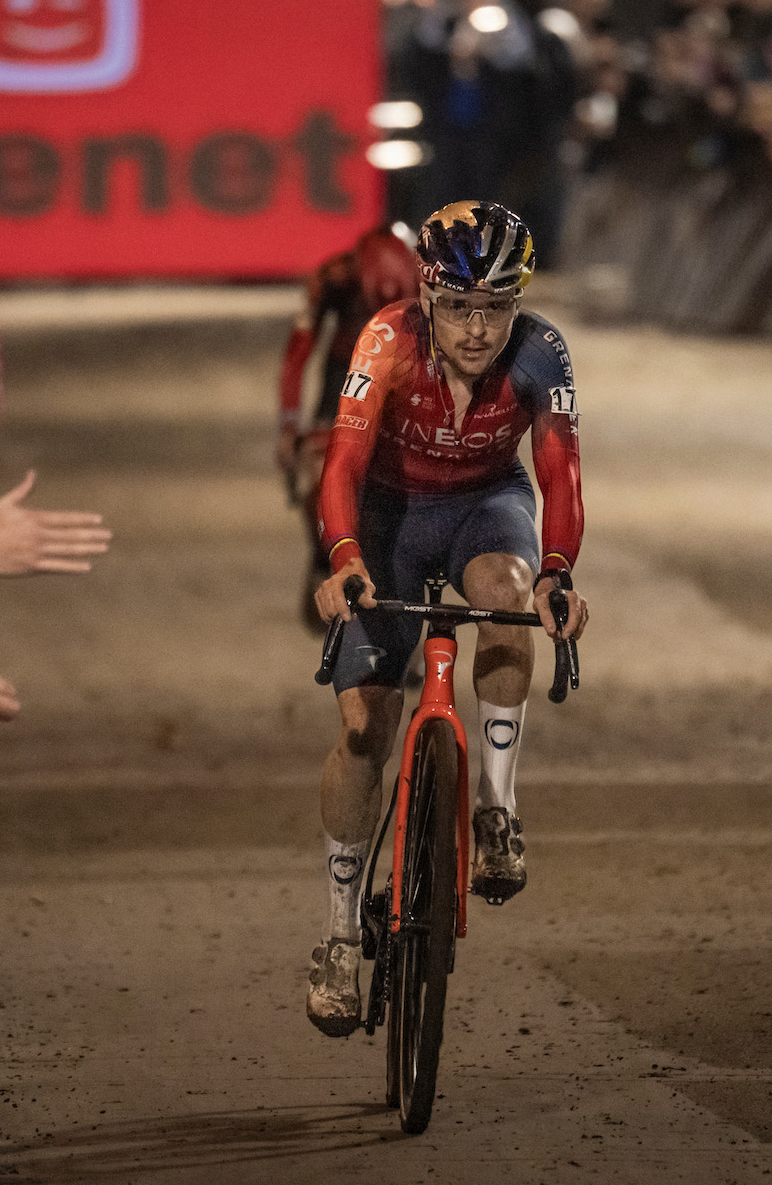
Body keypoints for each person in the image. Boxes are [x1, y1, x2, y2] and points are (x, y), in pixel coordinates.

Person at [305, 201, 590, 1037]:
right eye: (460, 307)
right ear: (428, 298)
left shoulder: (542, 354)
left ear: (518, 304)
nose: (477, 328)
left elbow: (562, 477)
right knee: (365, 726)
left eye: (496, 306)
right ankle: (334, 938)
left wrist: (557, 576)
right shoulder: (386, 341)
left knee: (509, 589)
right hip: (391, 514)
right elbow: (344, 460)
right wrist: (346, 558)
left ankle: (497, 810)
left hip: (484, 508)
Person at [277, 224, 421, 626]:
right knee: (322, 470)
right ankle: (325, 549)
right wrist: (290, 427)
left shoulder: (430, 275)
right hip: (344, 376)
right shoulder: (334, 278)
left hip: (402, 372)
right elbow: (297, 354)